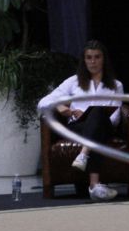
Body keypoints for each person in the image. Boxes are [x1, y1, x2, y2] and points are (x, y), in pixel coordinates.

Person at [38, 40, 124, 201]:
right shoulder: (73, 81)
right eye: (89, 57)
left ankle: (84, 154)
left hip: (106, 126)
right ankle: (94, 185)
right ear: (84, 60)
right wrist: (61, 107)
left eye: (97, 57)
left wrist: (98, 120)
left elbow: (116, 115)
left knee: (98, 113)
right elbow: (42, 103)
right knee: (97, 127)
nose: (93, 61)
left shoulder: (116, 85)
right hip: (77, 127)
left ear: (104, 59)